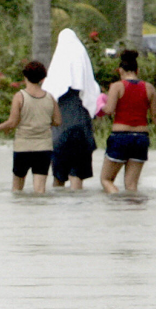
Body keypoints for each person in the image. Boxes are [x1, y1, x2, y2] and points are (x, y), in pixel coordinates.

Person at [0, 61, 61, 193]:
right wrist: (42, 121)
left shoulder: (20, 96)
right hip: (44, 148)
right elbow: (57, 121)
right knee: (40, 190)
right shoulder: (50, 98)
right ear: (42, 78)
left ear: (25, 76)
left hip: (23, 147)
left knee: (17, 189)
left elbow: (12, 123)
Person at [100, 50, 156, 194]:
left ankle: (117, 206)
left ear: (121, 70)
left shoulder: (117, 86)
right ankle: (132, 213)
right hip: (141, 139)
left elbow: (109, 110)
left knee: (106, 180)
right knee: (131, 186)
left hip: (120, 137)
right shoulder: (149, 88)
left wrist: (100, 105)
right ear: (138, 70)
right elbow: (155, 115)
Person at [43, 28, 100, 190]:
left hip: (61, 133)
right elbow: (93, 95)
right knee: (77, 177)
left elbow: (48, 94)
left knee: (58, 178)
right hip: (82, 130)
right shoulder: (86, 84)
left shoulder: (55, 80)